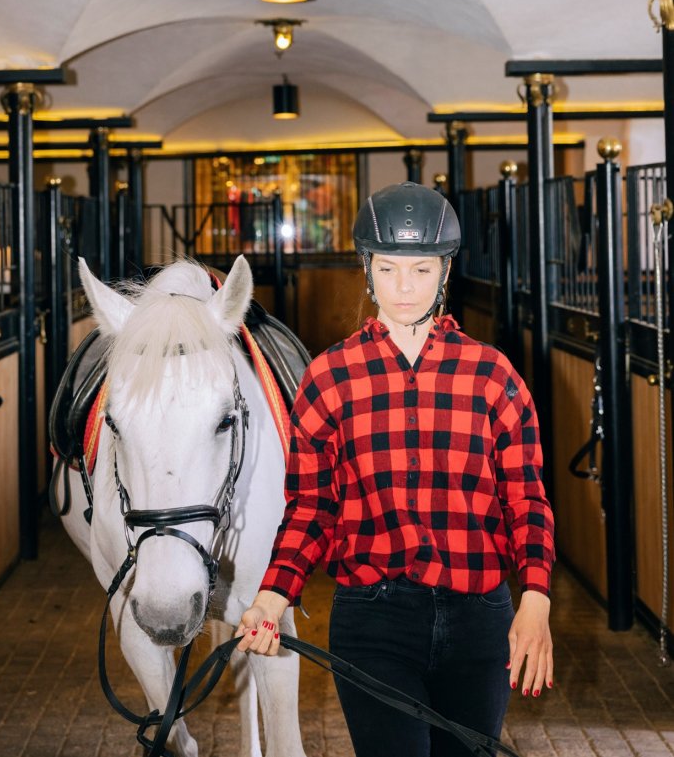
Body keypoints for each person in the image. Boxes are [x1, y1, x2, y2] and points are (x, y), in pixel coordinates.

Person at [235, 181, 555, 756]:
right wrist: (270, 598)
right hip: (372, 621)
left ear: (445, 273)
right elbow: (311, 508)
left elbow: (526, 499)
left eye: (421, 270)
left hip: (479, 616)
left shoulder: (493, 375)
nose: (404, 288)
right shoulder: (330, 377)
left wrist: (536, 598)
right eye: (388, 269)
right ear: (367, 270)